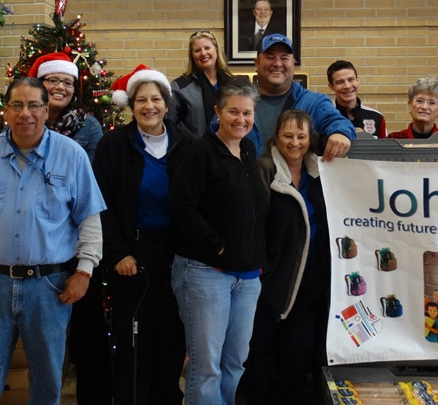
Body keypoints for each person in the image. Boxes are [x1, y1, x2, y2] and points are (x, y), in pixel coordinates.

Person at [0, 77, 106, 404]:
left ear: (45, 110)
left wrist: (84, 271)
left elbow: (89, 217)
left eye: (33, 105)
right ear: (5, 111)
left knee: (47, 382)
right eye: (17, 105)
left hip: (50, 287)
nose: (25, 113)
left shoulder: (71, 156)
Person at [73, 65, 193, 405]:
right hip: (132, 256)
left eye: (156, 99)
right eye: (141, 100)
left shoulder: (187, 145)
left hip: (176, 256)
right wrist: (119, 254)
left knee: (172, 340)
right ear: (131, 105)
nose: (149, 106)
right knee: (132, 343)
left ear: (166, 106)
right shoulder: (114, 145)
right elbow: (101, 205)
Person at [168, 78, 268, 404]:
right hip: (205, 272)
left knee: (235, 362)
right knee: (206, 366)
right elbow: (181, 206)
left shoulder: (250, 149)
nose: (241, 119)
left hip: (247, 277)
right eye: (233, 112)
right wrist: (218, 245)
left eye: (247, 113)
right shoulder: (201, 151)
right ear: (217, 112)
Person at [242, 109, 331, 405]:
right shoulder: (264, 169)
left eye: (301, 136)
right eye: (288, 136)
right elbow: (253, 225)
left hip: (310, 283)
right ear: (276, 138)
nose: (295, 142)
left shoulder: (320, 173)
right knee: (261, 358)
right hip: (272, 282)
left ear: (310, 138)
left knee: (298, 358)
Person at [250, 33, 355, 161]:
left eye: (284, 58)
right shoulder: (240, 102)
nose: (277, 63)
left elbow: (339, 122)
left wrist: (341, 133)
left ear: (293, 63)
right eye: (270, 57)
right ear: (256, 63)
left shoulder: (313, 102)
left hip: (293, 180)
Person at [29, 52, 102, 159]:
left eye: (67, 83)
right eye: (53, 80)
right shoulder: (24, 120)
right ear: (39, 85)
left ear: (73, 91)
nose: (60, 87)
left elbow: (92, 172)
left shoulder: (90, 126)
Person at [170, 30, 236, 138]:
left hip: (228, 150)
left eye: (207, 48)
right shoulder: (179, 87)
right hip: (193, 152)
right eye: (197, 50)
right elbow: (170, 125)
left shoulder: (234, 84)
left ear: (216, 49)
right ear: (192, 56)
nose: (203, 53)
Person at [327, 60, 387, 138]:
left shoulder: (376, 117)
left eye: (351, 80)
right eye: (340, 82)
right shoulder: (325, 117)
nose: (347, 86)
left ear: (357, 80)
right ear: (331, 86)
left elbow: (383, 149)